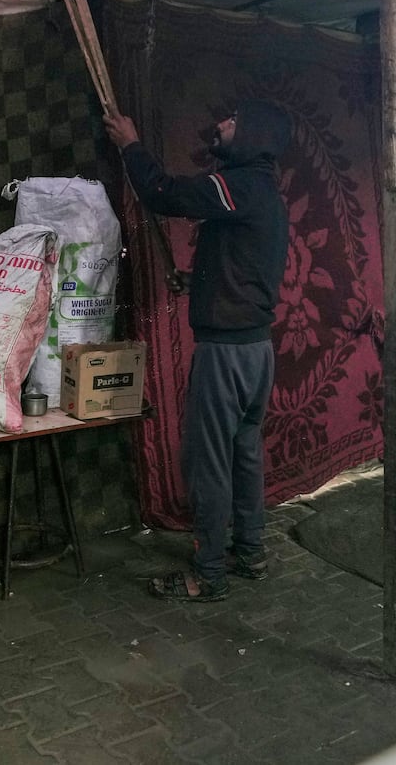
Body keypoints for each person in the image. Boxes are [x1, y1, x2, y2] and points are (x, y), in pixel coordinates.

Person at [103, 99, 292, 602]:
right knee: (244, 456)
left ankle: (208, 576)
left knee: (209, 462)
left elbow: (165, 193)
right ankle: (250, 553)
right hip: (255, 352)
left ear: (255, 137)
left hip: (226, 355)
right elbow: (245, 269)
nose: (223, 124)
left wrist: (130, 146)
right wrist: (198, 281)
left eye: (236, 120)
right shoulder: (263, 194)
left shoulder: (240, 184)